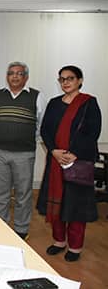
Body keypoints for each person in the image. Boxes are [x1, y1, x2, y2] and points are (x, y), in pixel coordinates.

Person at [37, 65, 101, 262]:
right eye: (62, 79)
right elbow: (45, 130)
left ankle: (75, 246)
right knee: (57, 202)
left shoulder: (89, 103)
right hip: (56, 160)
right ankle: (59, 241)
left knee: (75, 206)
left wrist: (74, 154)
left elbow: (93, 132)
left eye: (70, 78)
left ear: (80, 80)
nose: (65, 82)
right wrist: (54, 151)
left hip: (78, 162)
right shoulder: (55, 103)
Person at [0, 62, 45, 240]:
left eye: (19, 73)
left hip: (24, 154)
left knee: (23, 194)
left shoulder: (36, 96)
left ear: (26, 77)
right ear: (7, 76)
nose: (14, 76)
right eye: (11, 73)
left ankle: (21, 229)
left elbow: (41, 124)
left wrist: (27, 139)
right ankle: (1, 225)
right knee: (0, 193)